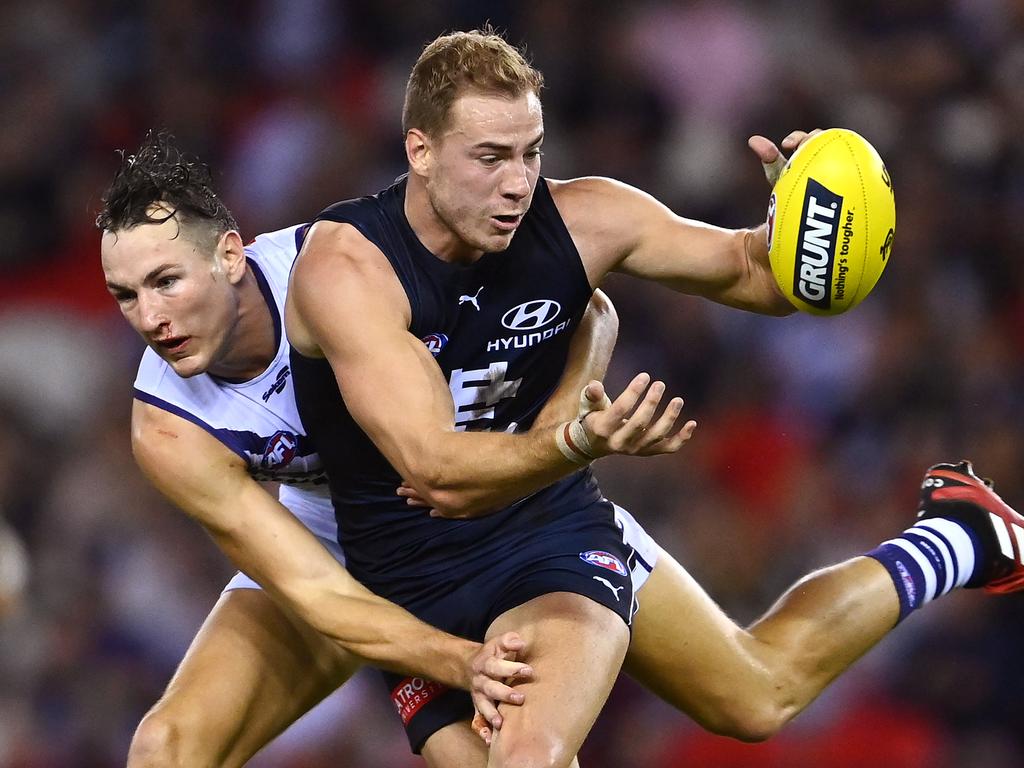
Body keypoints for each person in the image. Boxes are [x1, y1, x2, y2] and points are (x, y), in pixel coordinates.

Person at [284, 28, 1024, 768]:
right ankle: (962, 538)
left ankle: (962, 533)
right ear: (420, 151)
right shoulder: (348, 267)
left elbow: (752, 274)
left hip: (545, 539)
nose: (518, 182)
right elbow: (437, 473)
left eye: (531, 152)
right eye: (489, 157)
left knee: (531, 757)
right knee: (754, 692)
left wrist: (794, 228)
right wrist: (578, 435)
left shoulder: (588, 219)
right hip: (407, 580)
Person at [96, 131, 674, 768]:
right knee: (164, 749)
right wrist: (459, 660)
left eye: (166, 281)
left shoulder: (340, 264)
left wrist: (570, 399)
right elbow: (317, 593)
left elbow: (572, 303)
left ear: (230, 255)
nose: (150, 317)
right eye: (126, 295)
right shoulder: (167, 427)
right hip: (340, 541)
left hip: (479, 514)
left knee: (755, 697)